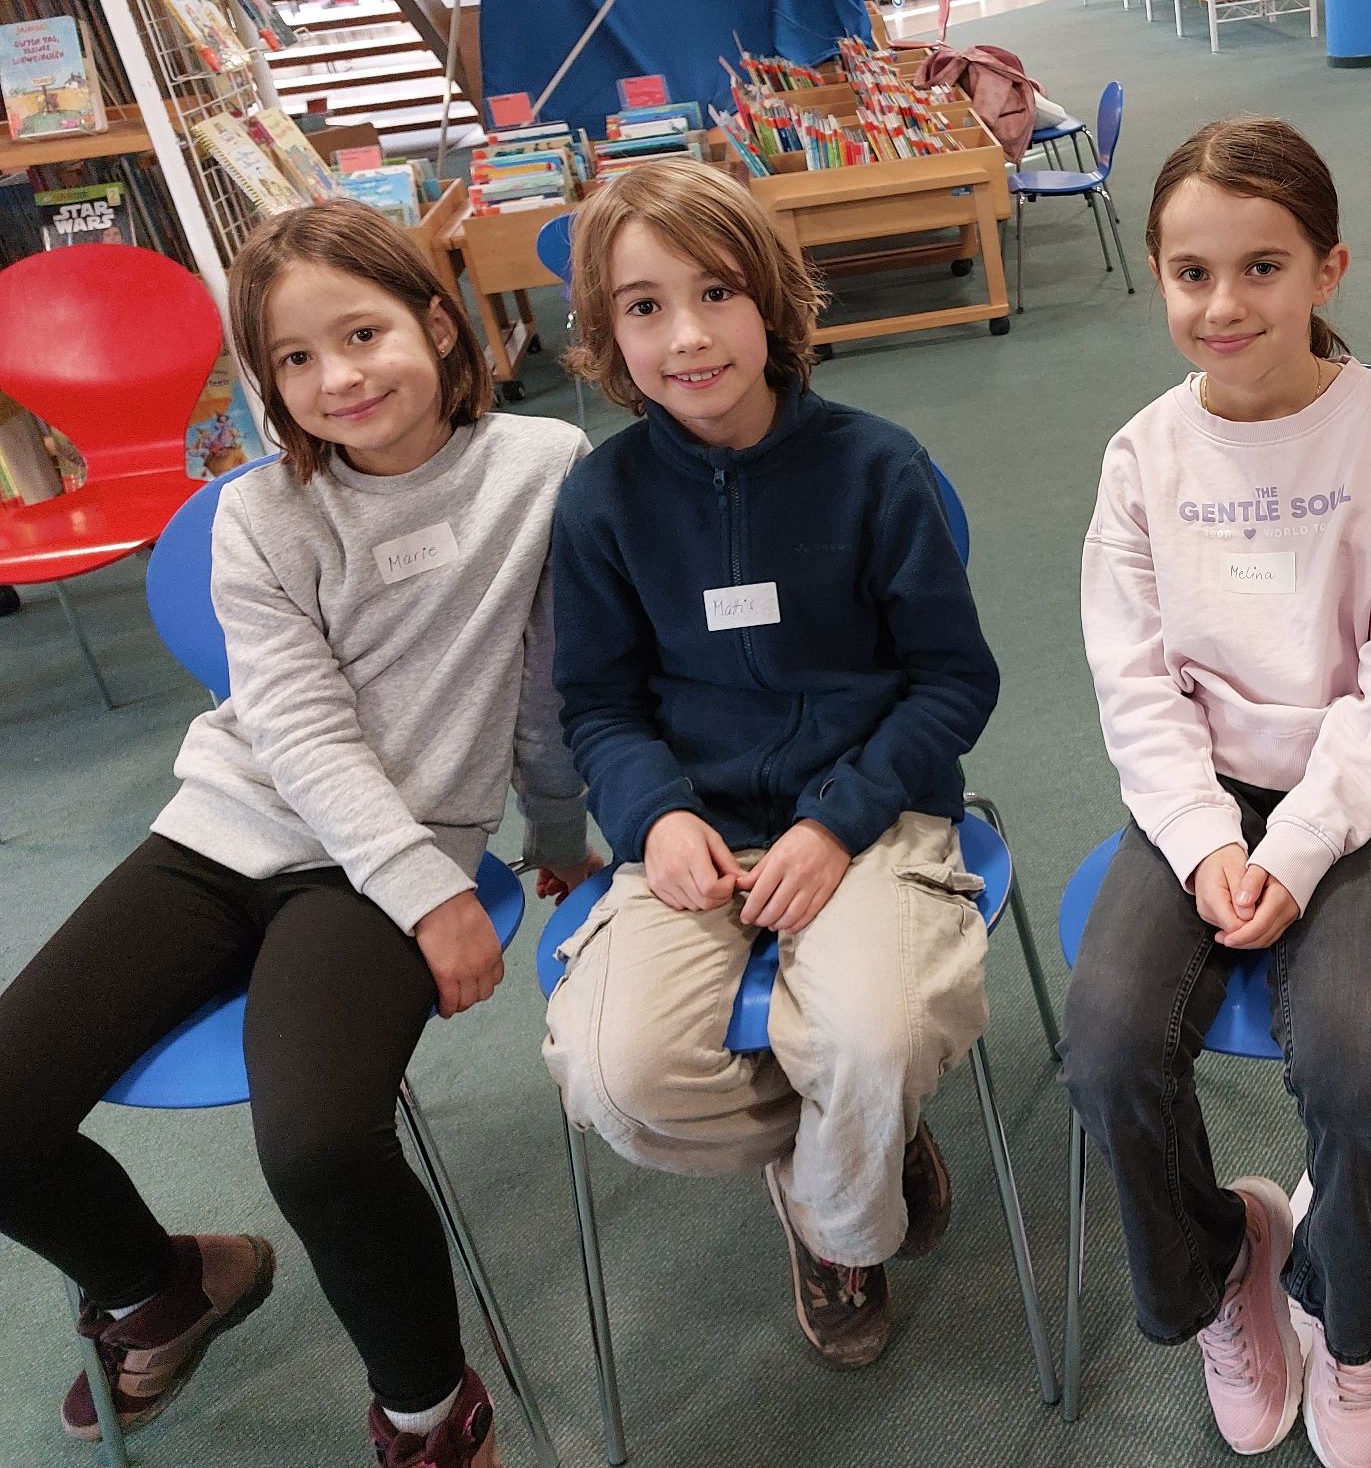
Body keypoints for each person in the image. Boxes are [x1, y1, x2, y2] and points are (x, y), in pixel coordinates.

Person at [0, 201, 595, 1468]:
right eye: (294, 358)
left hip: (383, 860)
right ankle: (163, 1286)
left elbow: (550, 682)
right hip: (228, 832)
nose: (338, 378)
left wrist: (553, 828)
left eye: (362, 333)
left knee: (321, 1147)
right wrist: (433, 899)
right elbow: (298, 729)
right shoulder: (260, 514)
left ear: (439, 324)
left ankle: (431, 1414)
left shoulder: (543, 467)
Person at [541, 159, 998, 1373]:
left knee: (876, 1037)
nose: (687, 336)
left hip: (867, 816)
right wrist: (652, 814)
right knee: (617, 1080)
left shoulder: (875, 467)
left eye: (717, 293)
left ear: (771, 300)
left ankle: (838, 1219)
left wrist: (838, 820)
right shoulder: (599, 502)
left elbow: (954, 682)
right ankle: (853, 1139)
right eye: (644, 307)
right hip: (693, 832)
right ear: (605, 332)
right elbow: (599, 705)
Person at [1064, 117, 1371, 1468]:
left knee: (1357, 1071)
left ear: (1327, 269)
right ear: (1160, 277)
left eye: (1262, 267)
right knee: (1107, 1048)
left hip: (1357, 788)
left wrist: (1292, 851)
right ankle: (1223, 1261)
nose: (1223, 304)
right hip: (1196, 789)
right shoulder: (1141, 456)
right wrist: (1199, 840)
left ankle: (1350, 1318)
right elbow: (1132, 681)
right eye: (1191, 273)